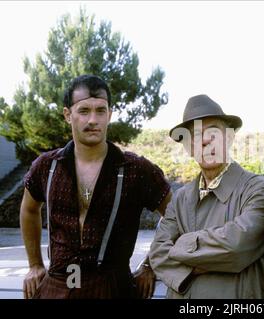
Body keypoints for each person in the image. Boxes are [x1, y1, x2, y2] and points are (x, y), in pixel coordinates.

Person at [20, 74, 171, 299]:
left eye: (100, 111)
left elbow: (176, 216)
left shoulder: (137, 170)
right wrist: (35, 264)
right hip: (57, 284)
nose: (93, 120)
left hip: (113, 287)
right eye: (83, 111)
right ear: (67, 115)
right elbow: (29, 209)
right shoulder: (47, 166)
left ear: (109, 115)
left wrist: (150, 265)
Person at [148, 94, 264, 298]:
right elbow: (158, 254)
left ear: (229, 138)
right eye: (196, 136)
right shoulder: (180, 199)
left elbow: (236, 246)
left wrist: (182, 246)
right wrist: (207, 260)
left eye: (214, 132)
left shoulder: (256, 189)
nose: (206, 140)